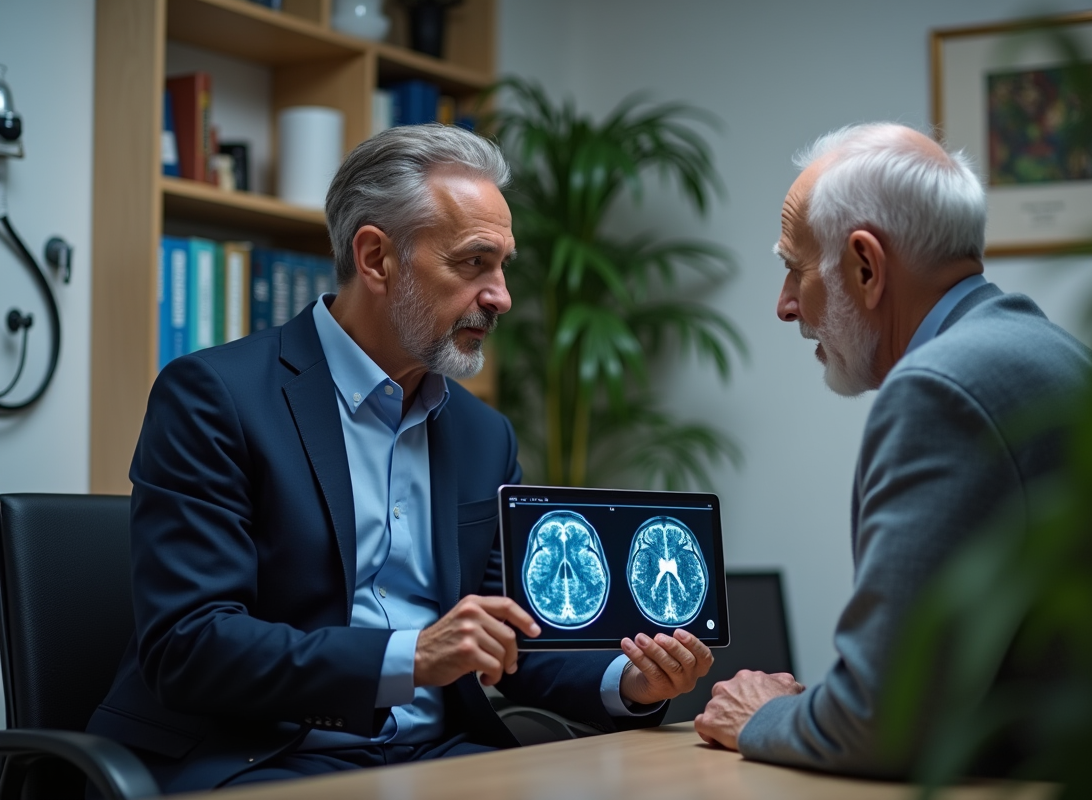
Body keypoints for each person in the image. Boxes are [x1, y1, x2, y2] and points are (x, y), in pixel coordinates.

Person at [87, 124, 713, 794]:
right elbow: (190, 645)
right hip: (260, 757)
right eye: (473, 263)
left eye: (504, 266)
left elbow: (514, 638)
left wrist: (630, 680)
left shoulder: (484, 436)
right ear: (376, 258)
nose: (501, 296)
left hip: (437, 757)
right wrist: (409, 657)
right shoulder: (215, 397)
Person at [693, 123, 1092, 776]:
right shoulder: (1035, 348)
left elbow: (883, 723)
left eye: (795, 269)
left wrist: (759, 715)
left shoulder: (941, 388)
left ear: (866, 267)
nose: (785, 306)